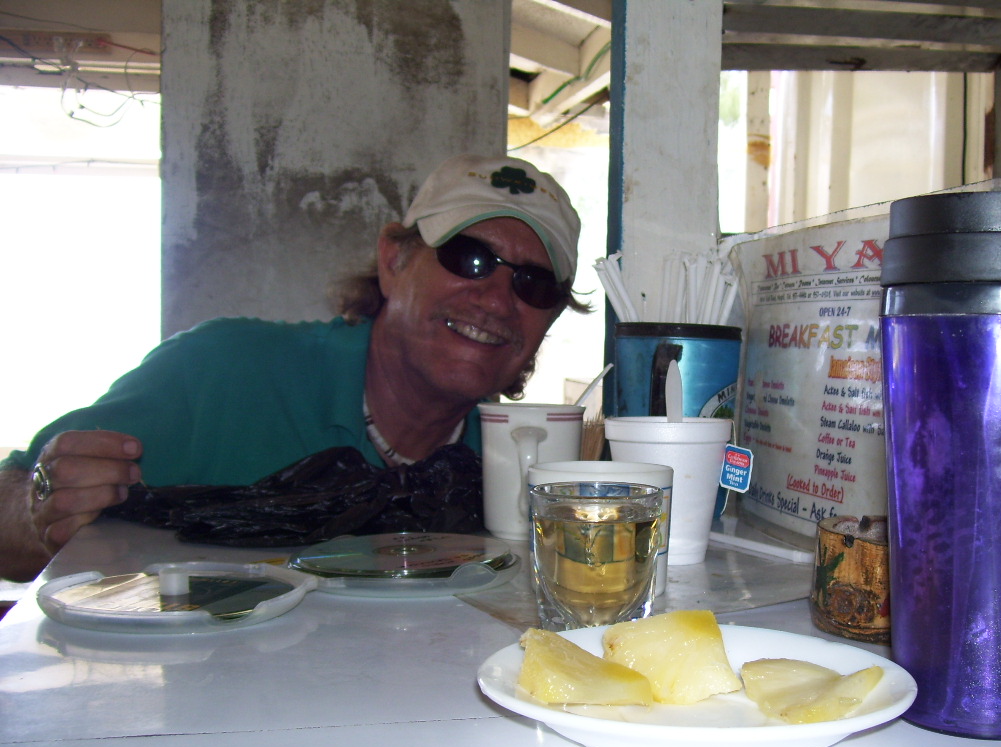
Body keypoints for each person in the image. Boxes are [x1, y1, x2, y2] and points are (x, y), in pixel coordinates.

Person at [0, 153, 588, 581]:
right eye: (470, 258)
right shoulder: (221, 371)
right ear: (393, 260)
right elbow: (14, 513)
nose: (497, 300)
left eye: (534, 284)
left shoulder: (527, 471)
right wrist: (37, 510)